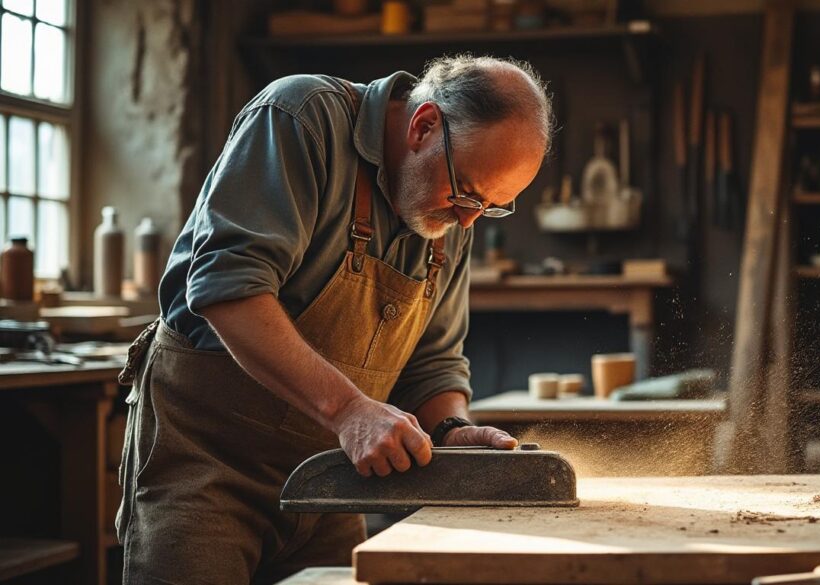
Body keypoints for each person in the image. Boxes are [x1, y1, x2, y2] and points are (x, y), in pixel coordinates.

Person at [115, 54, 553, 584]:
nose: (468, 219)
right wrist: (350, 411)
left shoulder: (452, 217)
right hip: (208, 466)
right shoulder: (302, 118)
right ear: (424, 125)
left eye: (491, 206)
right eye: (465, 194)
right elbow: (229, 290)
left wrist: (450, 429)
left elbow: (434, 361)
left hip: (327, 484)